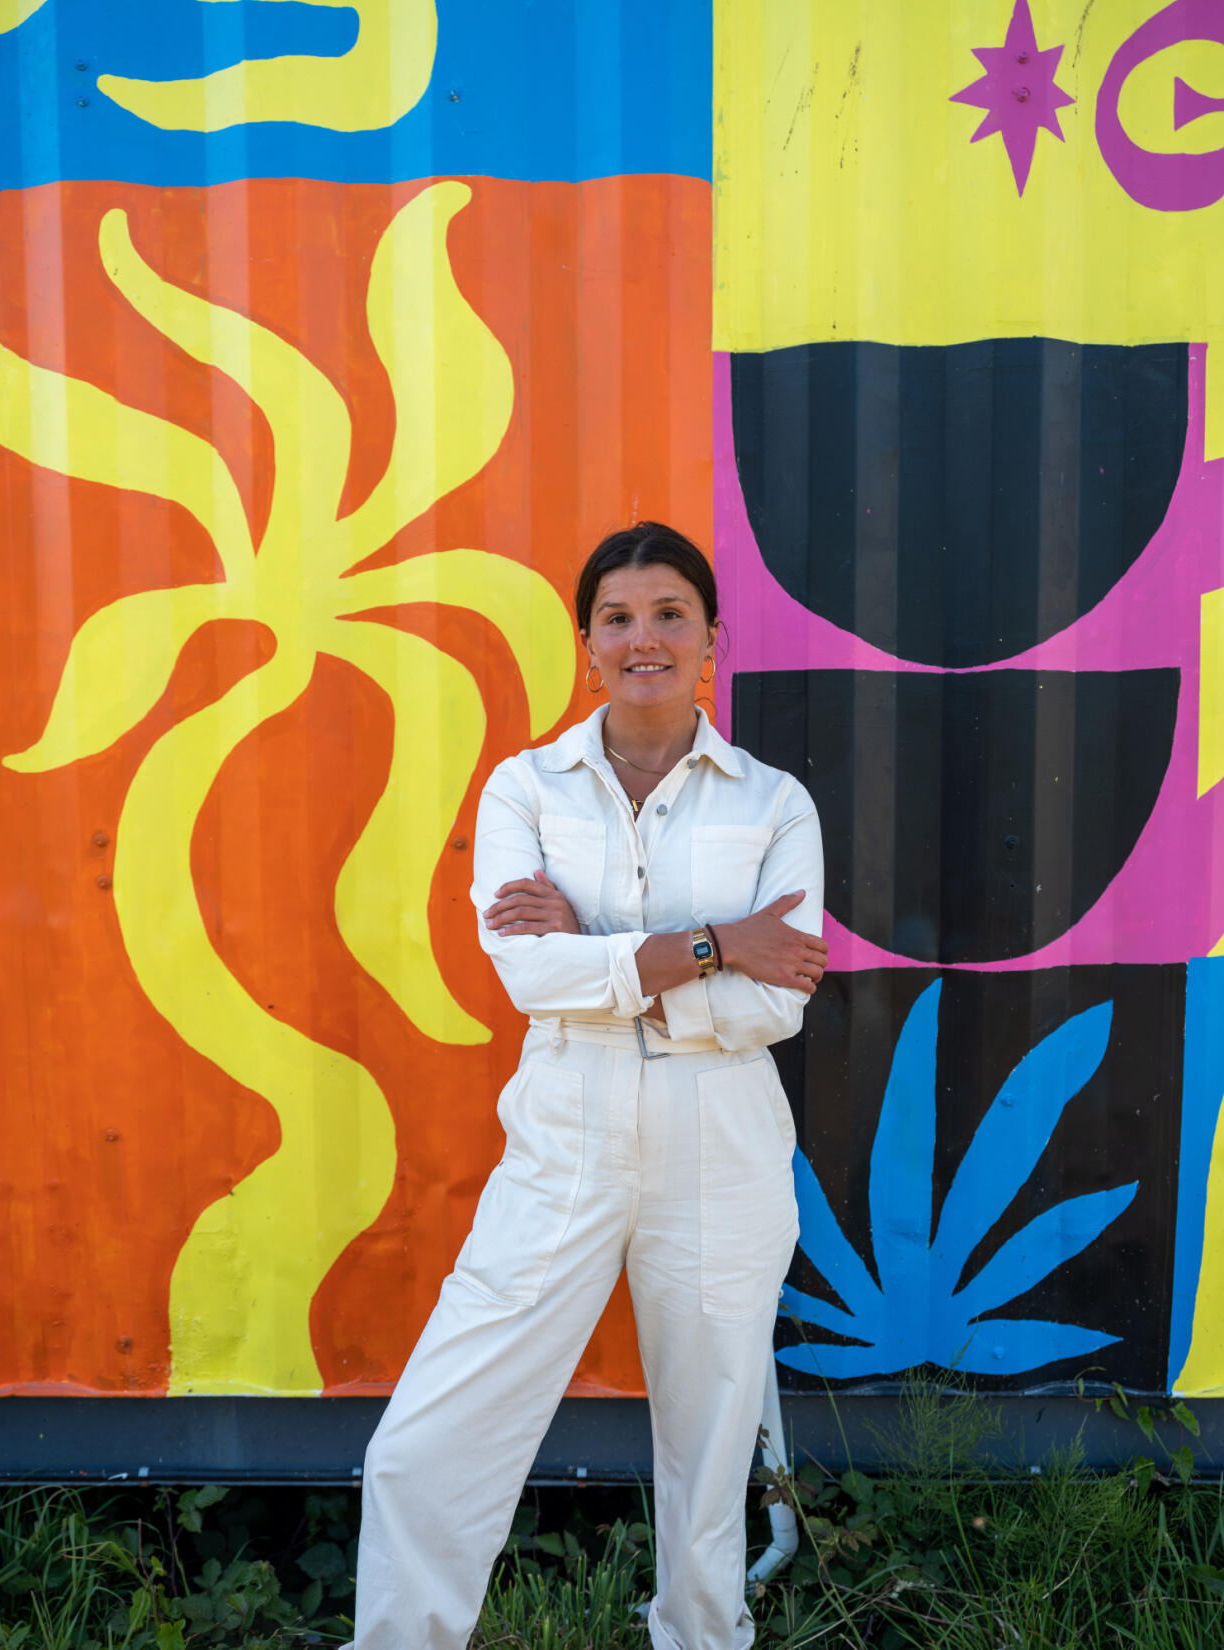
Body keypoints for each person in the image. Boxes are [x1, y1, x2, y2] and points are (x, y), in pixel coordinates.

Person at [348, 522, 827, 1650]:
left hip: (724, 1139)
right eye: (617, 617)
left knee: (711, 1447)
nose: (643, 636)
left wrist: (601, 952)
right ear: (585, 642)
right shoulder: (528, 787)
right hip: (563, 1133)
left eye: (669, 614)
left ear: (712, 638)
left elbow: (780, 1000)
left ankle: (701, 1636)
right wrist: (713, 945)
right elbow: (526, 972)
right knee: (430, 1436)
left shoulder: (772, 803)